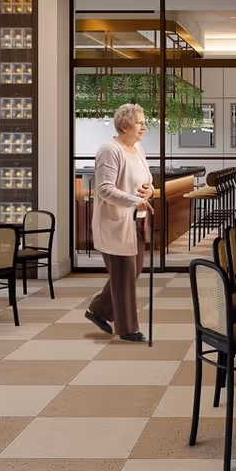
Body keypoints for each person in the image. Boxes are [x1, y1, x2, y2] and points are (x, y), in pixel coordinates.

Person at [84, 103, 155, 342]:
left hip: (137, 221)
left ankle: (98, 309)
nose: (144, 126)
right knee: (124, 275)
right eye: (139, 122)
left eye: (144, 122)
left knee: (132, 272)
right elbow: (104, 189)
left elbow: (147, 180)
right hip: (116, 223)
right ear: (125, 125)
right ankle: (127, 329)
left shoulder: (137, 148)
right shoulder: (110, 150)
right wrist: (134, 200)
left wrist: (150, 191)